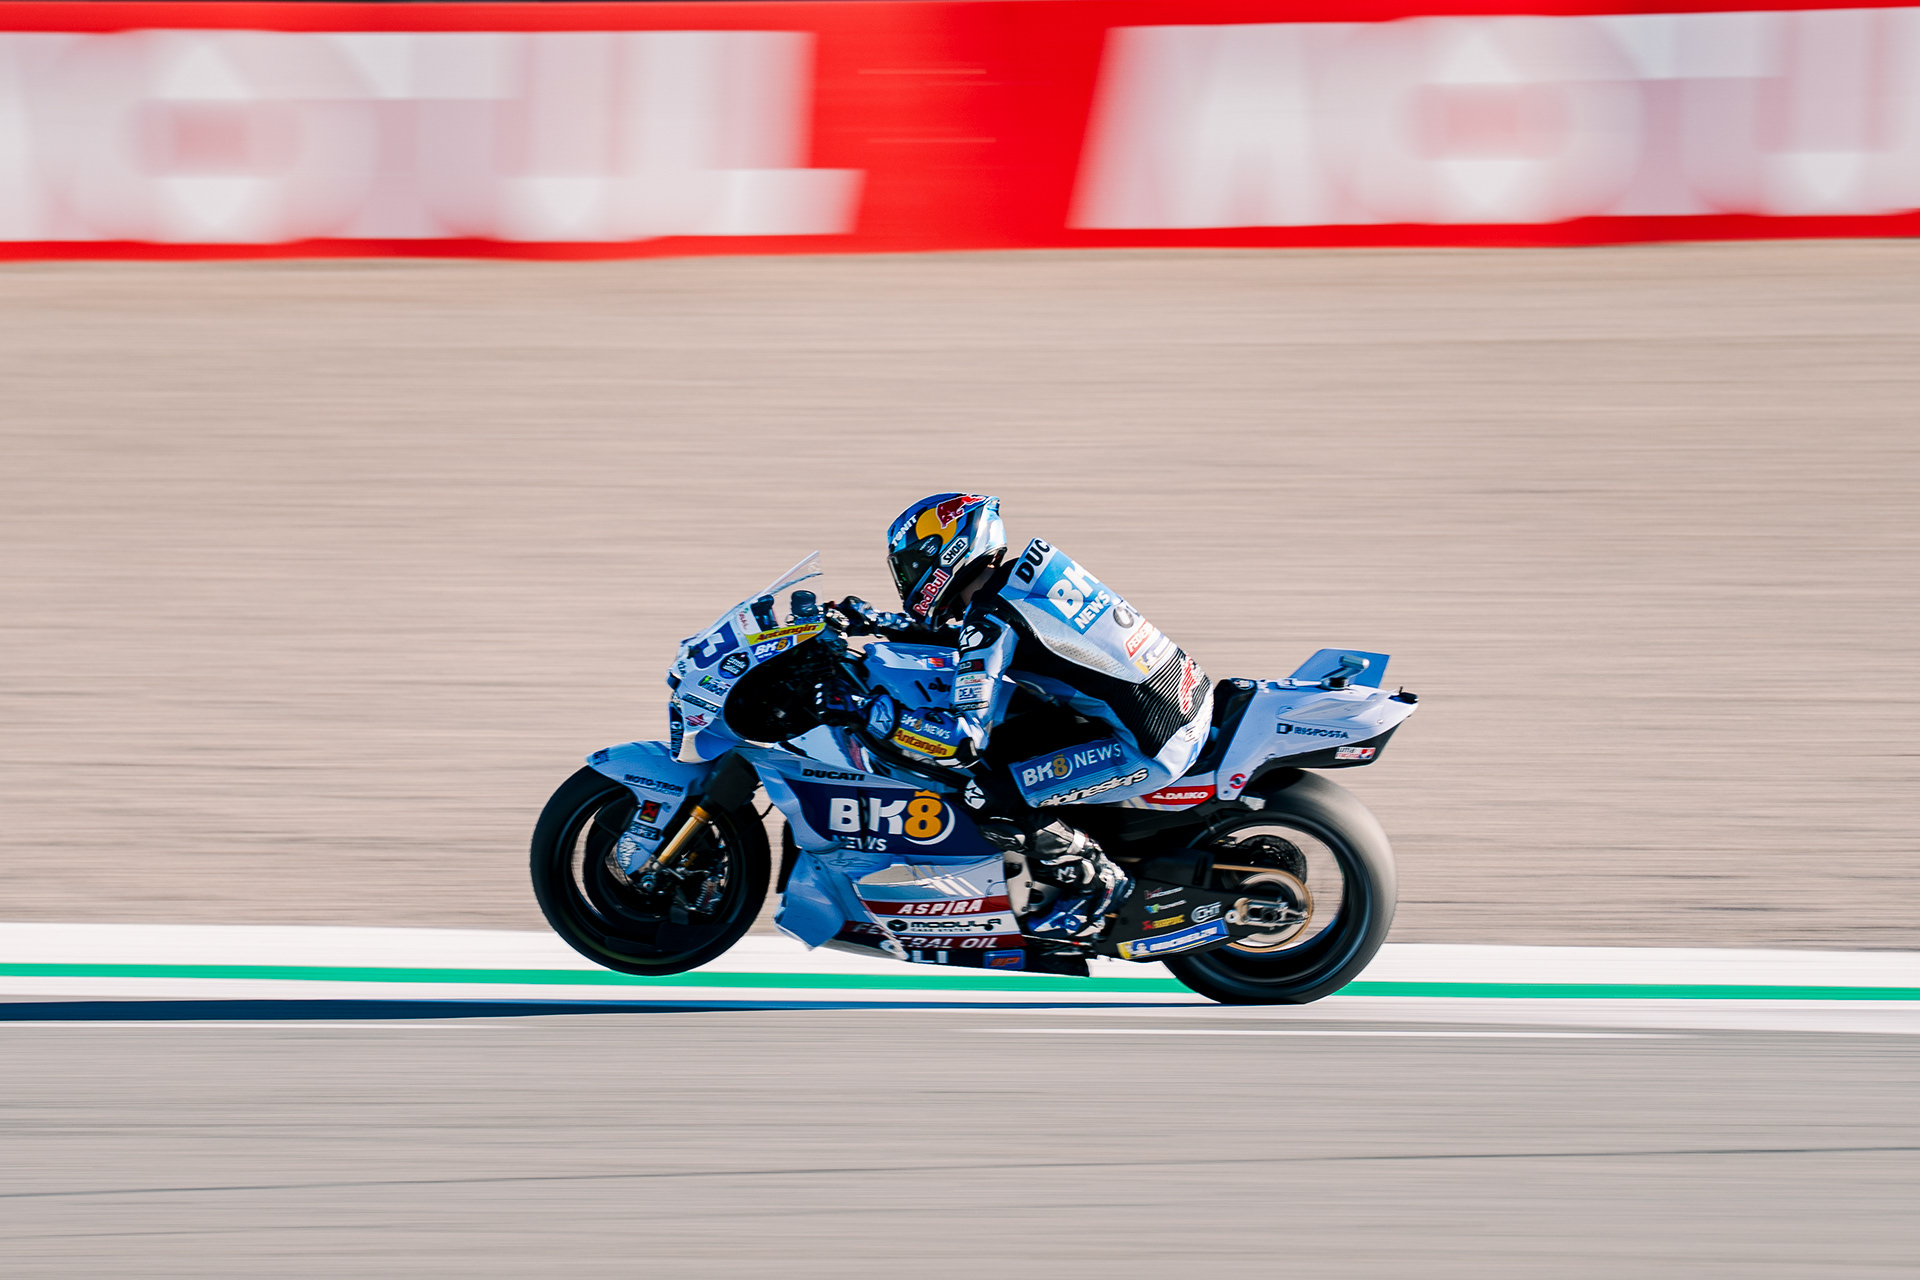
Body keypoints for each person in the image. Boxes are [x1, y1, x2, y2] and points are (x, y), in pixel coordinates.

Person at [830, 493, 1213, 942]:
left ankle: (1099, 883)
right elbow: (973, 638)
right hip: (1179, 701)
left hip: (1150, 747)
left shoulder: (993, 617)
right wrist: (878, 622)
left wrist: (866, 712)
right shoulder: (1019, 580)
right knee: (1014, 737)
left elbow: (963, 741)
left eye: (914, 565)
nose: (909, 578)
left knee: (986, 795)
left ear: (948, 551)